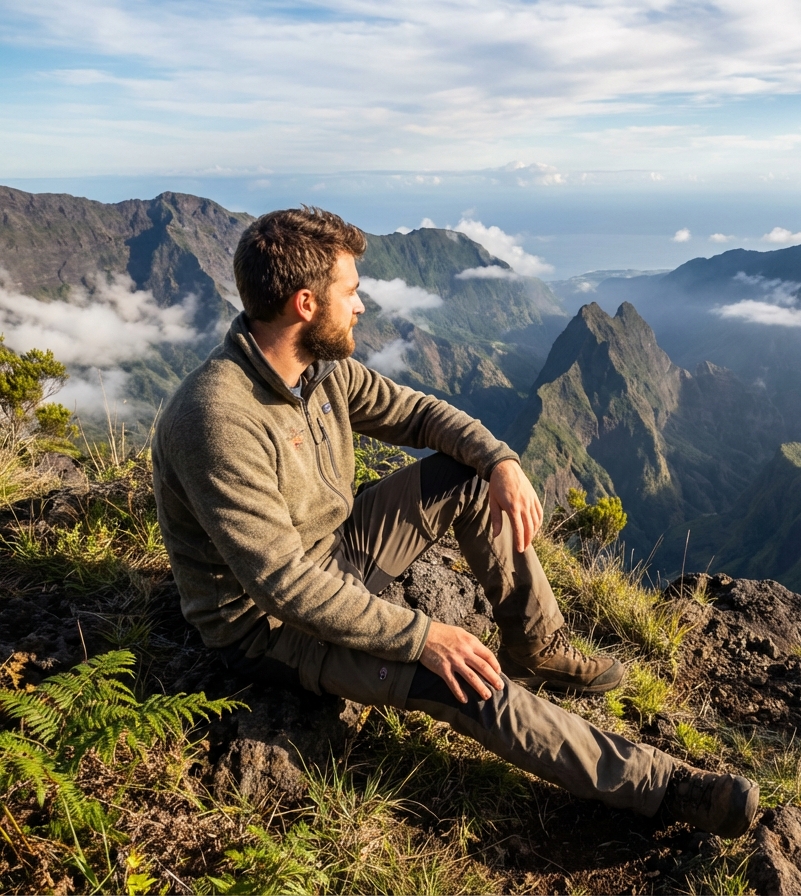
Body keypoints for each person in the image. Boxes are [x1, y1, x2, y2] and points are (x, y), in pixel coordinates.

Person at [151, 207, 759, 838]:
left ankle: (537, 646)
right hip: (270, 626)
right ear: (305, 304)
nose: (361, 306)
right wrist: (424, 637)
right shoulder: (218, 420)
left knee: (469, 478)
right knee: (465, 679)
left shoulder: (317, 372)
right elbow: (284, 586)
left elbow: (418, 414)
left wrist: (500, 461)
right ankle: (663, 785)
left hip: (338, 548)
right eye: (350, 292)